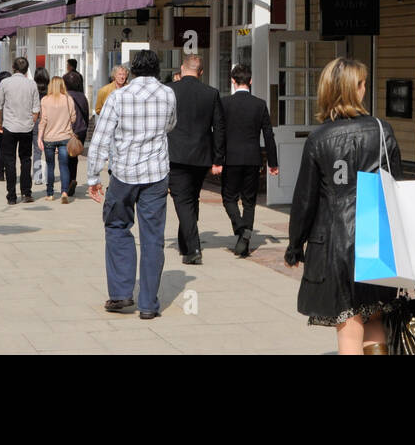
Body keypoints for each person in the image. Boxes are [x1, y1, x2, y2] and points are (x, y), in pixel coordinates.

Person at [286, 57, 402, 355]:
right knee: (375, 314)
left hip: (334, 240)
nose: (365, 88)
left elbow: (305, 200)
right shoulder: (382, 130)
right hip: (374, 236)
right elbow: (395, 189)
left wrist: (295, 245)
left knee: (348, 322)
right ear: (356, 89)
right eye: (362, 83)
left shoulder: (319, 138)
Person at [86, 49, 176, 318]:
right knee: (153, 238)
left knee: (116, 227)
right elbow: (171, 125)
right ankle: (148, 304)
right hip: (157, 173)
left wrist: (93, 177)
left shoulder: (120, 96)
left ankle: (121, 294)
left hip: (124, 173)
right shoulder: (168, 94)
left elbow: (101, 138)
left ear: (133, 70)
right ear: (157, 69)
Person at [214, 64, 279, 257]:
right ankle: (244, 241)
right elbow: (268, 135)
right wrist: (273, 162)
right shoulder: (260, 104)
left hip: (231, 158)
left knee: (229, 198)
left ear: (233, 81)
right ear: (250, 81)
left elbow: (219, 134)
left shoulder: (224, 103)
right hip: (252, 158)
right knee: (249, 201)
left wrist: (217, 159)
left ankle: (241, 228)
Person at [167, 54, 224, 265]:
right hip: (201, 155)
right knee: (191, 198)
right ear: (201, 72)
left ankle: (193, 248)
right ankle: (185, 243)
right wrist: (218, 159)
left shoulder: (170, 91)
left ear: (182, 69)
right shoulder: (211, 93)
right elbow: (219, 128)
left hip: (176, 154)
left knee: (183, 201)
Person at [0, 57, 40, 204]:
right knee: (26, 160)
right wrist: (31, 121)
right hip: (26, 127)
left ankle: (12, 196)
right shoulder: (32, 85)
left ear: (13, 67)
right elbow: (36, 109)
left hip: (9, 127)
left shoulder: (5, 83)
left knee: (10, 160)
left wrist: (0, 123)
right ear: (27, 69)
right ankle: (26, 193)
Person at [38, 76, 76, 203]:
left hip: (49, 138)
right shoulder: (68, 99)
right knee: (64, 166)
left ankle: (50, 193)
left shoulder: (45, 100)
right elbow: (73, 118)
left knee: (50, 166)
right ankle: (64, 192)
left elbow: (43, 120)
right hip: (65, 137)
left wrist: (39, 137)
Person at [62, 69, 90, 197]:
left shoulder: (65, 96)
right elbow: (86, 114)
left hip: (68, 130)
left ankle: (68, 182)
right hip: (81, 130)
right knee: (74, 156)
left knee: (65, 157)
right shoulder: (83, 97)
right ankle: (73, 178)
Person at [32, 67, 50, 186]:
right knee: (49, 150)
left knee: (36, 150)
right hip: (48, 123)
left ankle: (37, 176)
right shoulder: (50, 92)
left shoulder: (33, 90)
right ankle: (49, 175)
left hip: (35, 122)